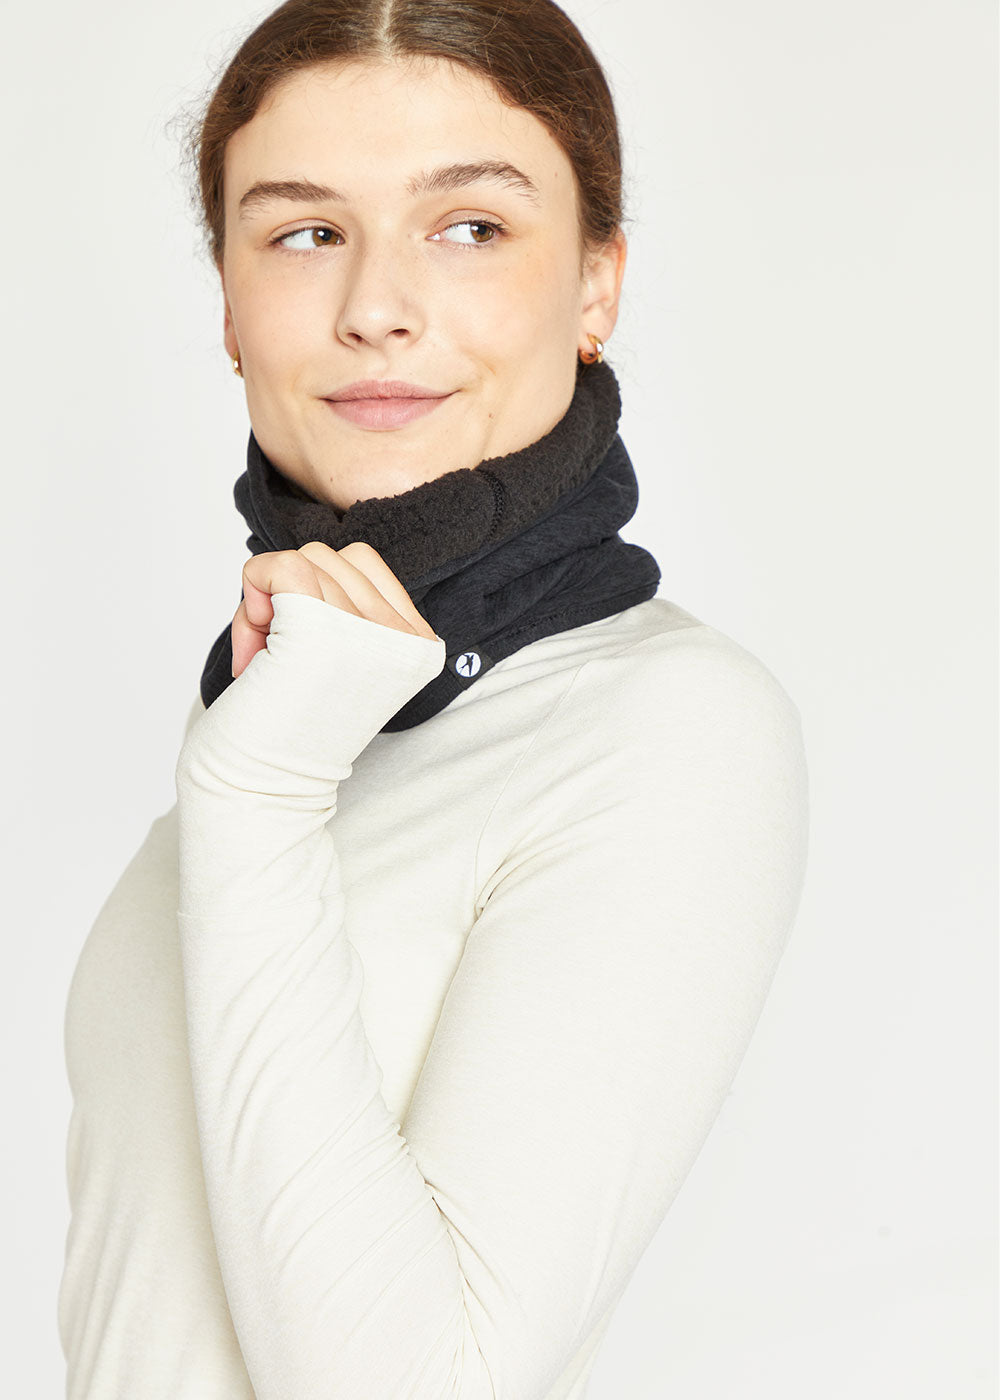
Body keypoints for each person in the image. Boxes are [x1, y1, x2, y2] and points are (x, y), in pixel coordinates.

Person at [58, 1, 810, 1396]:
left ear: (597, 285)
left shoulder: (667, 727)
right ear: (227, 306)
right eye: (305, 233)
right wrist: (266, 759)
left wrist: (255, 793)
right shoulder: (288, 703)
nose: (375, 307)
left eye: (469, 226)